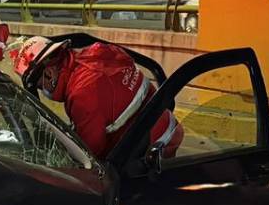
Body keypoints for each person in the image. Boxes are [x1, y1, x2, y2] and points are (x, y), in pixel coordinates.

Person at [12, 36, 183, 160]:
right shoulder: (98, 52)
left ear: (49, 74)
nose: (43, 92)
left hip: (154, 148)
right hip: (167, 126)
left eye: (40, 86)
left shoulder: (82, 94)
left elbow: (91, 154)